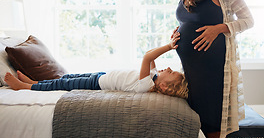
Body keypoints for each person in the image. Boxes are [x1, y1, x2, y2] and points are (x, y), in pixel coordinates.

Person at [167, 0, 254, 138]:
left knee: (214, 130)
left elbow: (248, 20)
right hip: (191, 72)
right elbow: (188, 20)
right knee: (199, 127)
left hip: (214, 72)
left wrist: (219, 28)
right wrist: (177, 33)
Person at [4, 32, 188, 99]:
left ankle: (25, 87)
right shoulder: (153, 76)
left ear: (163, 86)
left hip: (96, 85)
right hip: (100, 76)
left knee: (61, 85)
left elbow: (147, 56)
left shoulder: (146, 85)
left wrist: (169, 47)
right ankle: (34, 82)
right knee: (66, 78)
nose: (169, 68)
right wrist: (169, 40)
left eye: (171, 73)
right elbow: (150, 53)